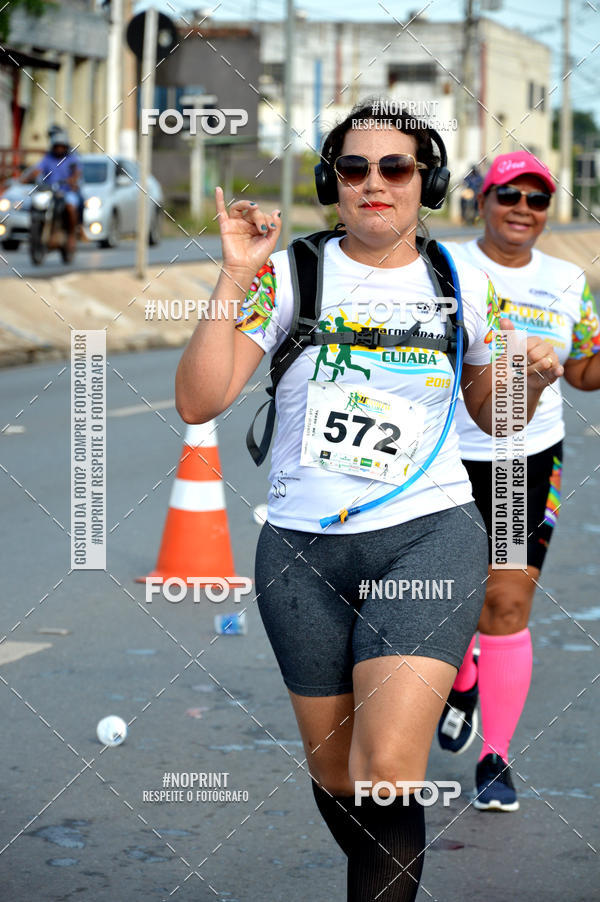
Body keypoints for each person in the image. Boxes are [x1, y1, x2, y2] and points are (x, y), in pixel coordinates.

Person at [175, 104, 562, 900]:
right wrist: (234, 273)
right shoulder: (291, 275)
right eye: (355, 169)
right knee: (338, 773)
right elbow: (199, 399)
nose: (374, 183)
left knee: (386, 771)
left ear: (428, 183)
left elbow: (496, 415)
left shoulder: (464, 282)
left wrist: (532, 375)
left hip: (429, 536)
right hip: (299, 550)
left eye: (397, 168)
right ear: (333, 182)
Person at [439, 150, 600, 812]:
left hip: (523, 460)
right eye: (511, 195)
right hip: (441, 455)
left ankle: (496, 758)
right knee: (442, 597)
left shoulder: (569, 281)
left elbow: (587, 371)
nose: (523, 211)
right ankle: (462, 672)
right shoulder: (445, 264)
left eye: (538, 200)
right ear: (483, 199)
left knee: (503, 604)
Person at [23, 128, 82, 255]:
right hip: (49, 192)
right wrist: (25, 179)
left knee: (71, 207)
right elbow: (37, 170)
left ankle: (72, 235)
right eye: (57, 147)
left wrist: (72, 180)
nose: (59, 149)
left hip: (66, 192)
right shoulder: (48, 158)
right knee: (33, 205)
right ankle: (37, 235)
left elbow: (77, 172)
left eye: (62, 147)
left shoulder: (71, 158)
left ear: (66, 147)